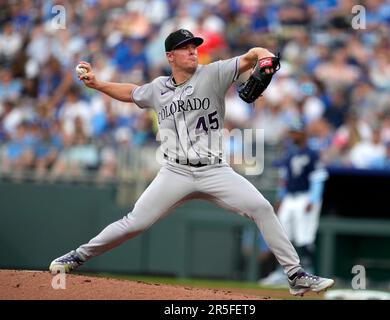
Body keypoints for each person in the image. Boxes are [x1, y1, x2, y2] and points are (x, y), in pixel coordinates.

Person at [49, 29, 334, 296]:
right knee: (134, 222)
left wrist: (264, 56)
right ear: (170, 57)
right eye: (184, 48)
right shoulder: (158, 88)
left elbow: (251, 55)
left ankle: (295, 275)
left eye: (193, 47)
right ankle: (77, 256)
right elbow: (131, 92)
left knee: (261, 207)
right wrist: (97, 84)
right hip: (174, 170)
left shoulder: (214, 73)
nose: (192, 51)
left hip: (215, 170)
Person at [259, 118, 328, 286]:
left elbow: (318, 178)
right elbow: (284, 179)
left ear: (303, 133)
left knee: (305, 236)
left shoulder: (312, 153)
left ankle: (309, 271)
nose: (292, 135)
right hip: (290, 197)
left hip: (305, 196)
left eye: (295, 132)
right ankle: (281, 273)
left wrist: (313, 199)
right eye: (291, 132)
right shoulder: (289, 152)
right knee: (281, 235)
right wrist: (280, 198)